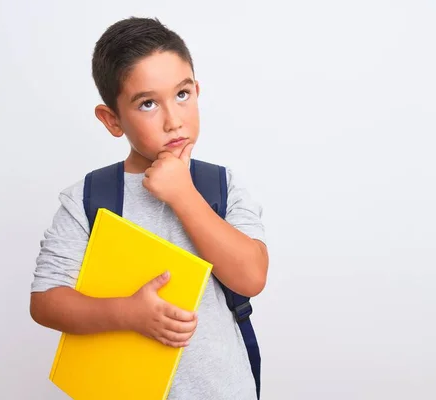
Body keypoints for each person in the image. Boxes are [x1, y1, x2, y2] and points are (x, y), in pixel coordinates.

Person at [29, 17, 269, 400]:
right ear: (112, 120)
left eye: (182, 94)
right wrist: (127, 314)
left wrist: (184, 195)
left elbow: (251, 277)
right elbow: (45, 302)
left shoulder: (222, 186)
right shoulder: (88, 199)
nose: (174, 120)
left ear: (197, 91)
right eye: (147, 103)